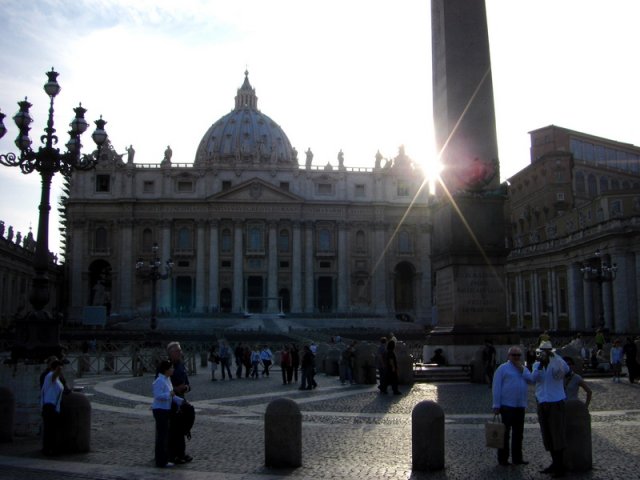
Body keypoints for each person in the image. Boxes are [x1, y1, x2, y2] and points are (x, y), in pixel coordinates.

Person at [532, 341, 570, 477]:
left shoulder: (558, 361)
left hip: (555, 401)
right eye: (541, 351)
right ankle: (555, 463)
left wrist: (555, 359)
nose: (543, 353)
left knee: (557, 434)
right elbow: (533, 379)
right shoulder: (537, 365)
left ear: (550, 351)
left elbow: (566, 371)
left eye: (546, 351)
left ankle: (560, 465)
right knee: (547, 435)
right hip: (542, 401)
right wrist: (540, 365)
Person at [491, 346, 533, 466]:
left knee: (518, 434)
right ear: (508, 356)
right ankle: (503, 459)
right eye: (514, 355)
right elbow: (496, 387)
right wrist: (496, 404)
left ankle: (517, 458)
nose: (516, 357)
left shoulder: (523, 369)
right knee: (505, 434)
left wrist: (522, 369)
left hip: (520, 405)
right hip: (506, 405)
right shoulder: (502, 368)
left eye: (518, 355)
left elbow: (531, 380)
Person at [152, 359, 183, 468]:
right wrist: (170, 393)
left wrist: (182, 401)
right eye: (171, 368)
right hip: (160, 410)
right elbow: (158, 396)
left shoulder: (167, 379)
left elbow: (172, 396)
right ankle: (161, 461)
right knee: (162, 437)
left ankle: (163, 460)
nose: (173, 369)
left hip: (166, 409)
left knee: (165, 436)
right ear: (166, 370)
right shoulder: (159, 381)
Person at [167, 341, 192, 465]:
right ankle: (173, 455)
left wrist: (185, 388)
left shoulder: (181, 365)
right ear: (171, 353)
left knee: (181, 428)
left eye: (180, 350)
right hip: (170, 402)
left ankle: (181, 453)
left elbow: (188, 384)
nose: (180, 353)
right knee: (173, 429)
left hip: (181, 400)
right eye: (178, 351)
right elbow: (161, 386)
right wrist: (177, 389)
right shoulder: (165, 366)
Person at [40, 359, 65, 456]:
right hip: (49, 406)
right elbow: (54, 376)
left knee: (51, 429)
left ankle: (51, 448)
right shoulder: (50, 376)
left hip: (53, 406)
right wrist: (58, 369)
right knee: (50, 429)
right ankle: (49, 449)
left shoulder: (54, 377)